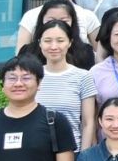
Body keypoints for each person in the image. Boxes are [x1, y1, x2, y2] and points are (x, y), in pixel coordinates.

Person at [26, 18, 98, 150]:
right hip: (35, 152)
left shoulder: (83, 76)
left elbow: (88, 123)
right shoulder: (30, 76)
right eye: (47, 41)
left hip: (72, 151)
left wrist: (84, 155)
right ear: (40, 43)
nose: (54, 46)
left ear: (70, 42)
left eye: (60, 41)